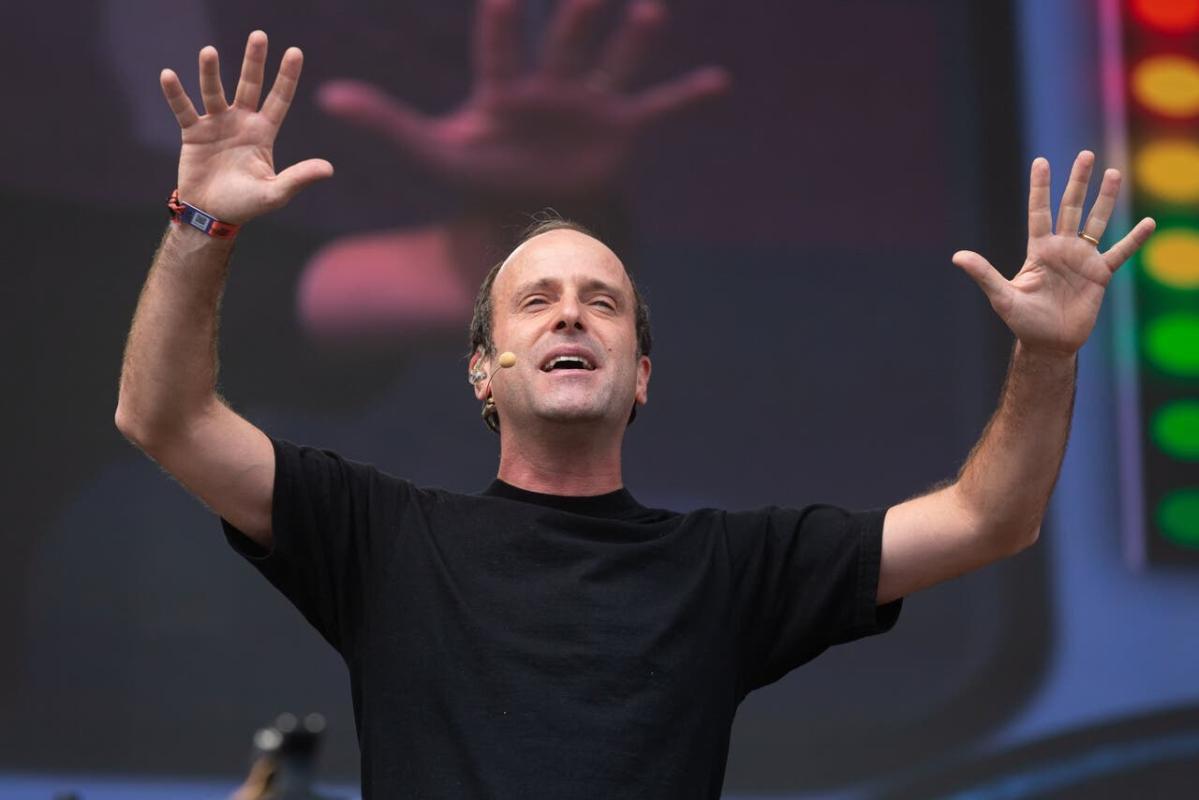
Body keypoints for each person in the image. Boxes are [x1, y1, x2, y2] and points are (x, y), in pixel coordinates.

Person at [114, 23, 1155, 800]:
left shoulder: (725, 569)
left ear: (642, 374)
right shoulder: (382, 538)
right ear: (481, 372)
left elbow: (989, 518)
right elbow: (165, 419)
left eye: (601, 301)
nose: (571, 311)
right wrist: (203, 221)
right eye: (536, 300)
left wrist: (1046, 351)